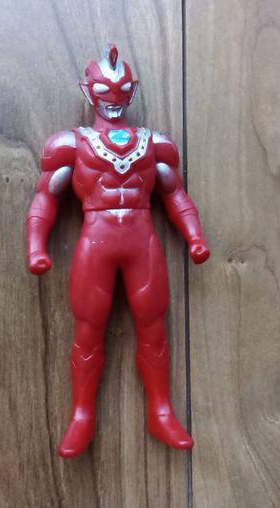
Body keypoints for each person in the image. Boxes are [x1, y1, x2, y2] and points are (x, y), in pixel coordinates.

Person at [26, 44, 210, 458]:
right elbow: (46, 198)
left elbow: (175, 195)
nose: (113, 97)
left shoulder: (155, 143)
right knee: (88, 328)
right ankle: (82, 416)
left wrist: (195, 237)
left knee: (153, 326)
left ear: (133, 90)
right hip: (96, 240)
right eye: (103, 89)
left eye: (123, 89)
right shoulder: (68, 144)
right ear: (87, 91)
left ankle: (161, 411)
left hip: (142, 241)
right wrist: (36, 246)